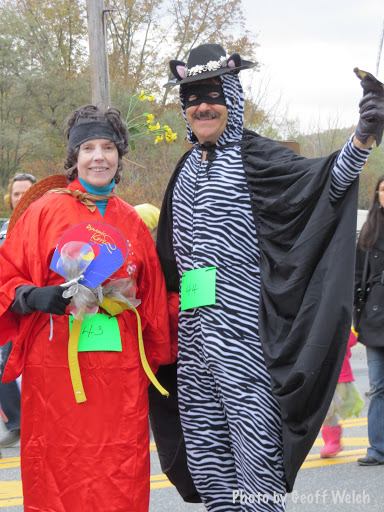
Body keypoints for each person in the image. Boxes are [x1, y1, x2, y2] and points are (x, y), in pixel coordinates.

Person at [149, 43, 384, 511]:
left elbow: (324, 186)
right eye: (192, 97)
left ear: (232, 97)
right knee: (210, 469)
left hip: (246, 351)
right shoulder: (186, 168)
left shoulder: (256, 157)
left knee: (257, 477)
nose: (202, 105)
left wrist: (362, 137)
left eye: (213, 93)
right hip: (194, 350)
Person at [0, 105, 175, 512]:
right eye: (89, 148)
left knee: (119, 471)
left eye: (109, 147)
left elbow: (152, 300)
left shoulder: (131, 220)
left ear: (119, 156)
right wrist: (31, 296)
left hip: (120, 378)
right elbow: (6, 276)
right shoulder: (43, 211)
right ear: (74, 157)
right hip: (57, 374)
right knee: (59, 470)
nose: (99, 156)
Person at [0, 173, 37, 453]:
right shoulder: (3, 231)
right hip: (10, 306)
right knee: (5, 362)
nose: (21, 198)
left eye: (27, 192)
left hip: (43, 309)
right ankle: (17, 422)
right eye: (16, 193)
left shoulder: (46, 224)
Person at [354, 174, 384, 467]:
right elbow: (355, 276)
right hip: (375, 317)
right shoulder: (370, 229)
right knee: (377, 386)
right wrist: (356, 315)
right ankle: (377, 448)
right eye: (383, 190)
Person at [320, 329, 364, 458]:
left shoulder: (340, 323)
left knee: (330, 410)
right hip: (321, 376)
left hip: (339, 376)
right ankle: (332, 442)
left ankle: (333, 442)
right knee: (325, 412)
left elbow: (351, 340)